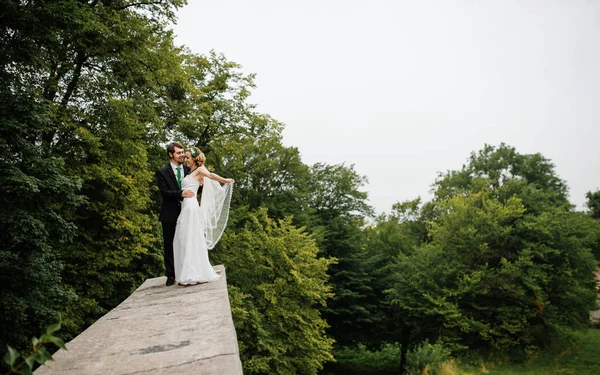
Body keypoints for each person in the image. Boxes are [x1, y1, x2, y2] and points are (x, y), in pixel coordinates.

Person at [173, 147, 234, 285]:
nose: (186, 159)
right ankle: (187, 271)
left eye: (188, 157)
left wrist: (225, 180)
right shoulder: (190, 171)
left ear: (194, 158)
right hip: (185, 207)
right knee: (184, 237)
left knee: (190, 237)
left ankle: (191, 274)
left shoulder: (200, 169)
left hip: (191, 207)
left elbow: (211, 175)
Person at [156, 142, 194, 286]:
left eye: (183, 152)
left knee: (187, 242)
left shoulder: (188, 168)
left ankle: (187, 270)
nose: (182, 155)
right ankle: (171, 275)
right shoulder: (162, 172)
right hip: (169, 212)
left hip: (186, 211)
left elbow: (192, 188)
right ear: (171, 154)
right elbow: (164, 193)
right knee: (169, 243)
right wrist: (181, 194)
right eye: (179, 153)